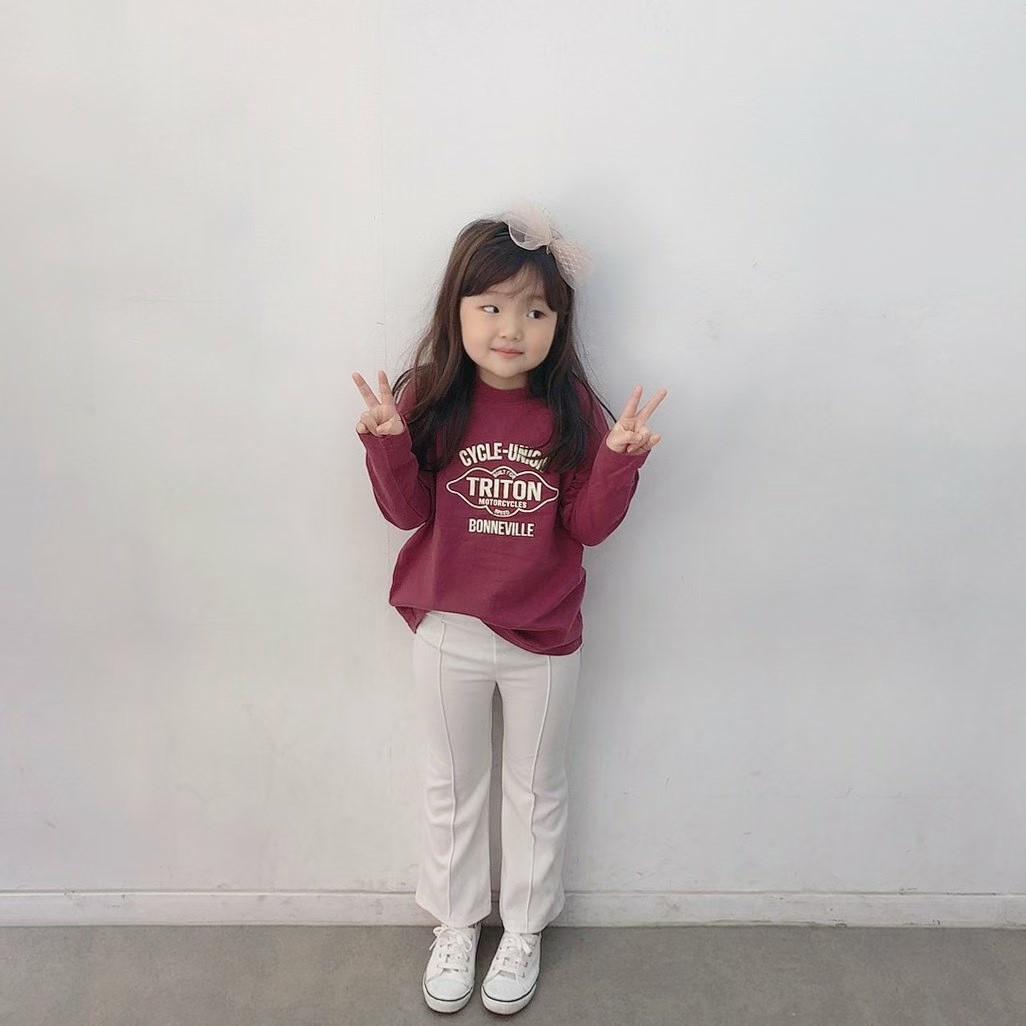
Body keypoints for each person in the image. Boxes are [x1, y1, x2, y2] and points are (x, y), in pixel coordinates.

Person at [352, 201, 667, 1015]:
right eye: (490, 306)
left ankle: (523, 929)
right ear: (456, 309)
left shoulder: (572, 409)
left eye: (535, 312)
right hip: (448, 628)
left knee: (536, 788)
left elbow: (587, 527)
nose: (510, 328)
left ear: (559, 324)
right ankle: (456, 924)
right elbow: (406, 513)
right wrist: (386, 441)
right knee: (453, 784)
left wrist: (618, 462)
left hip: (546, 638)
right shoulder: (430, 397)